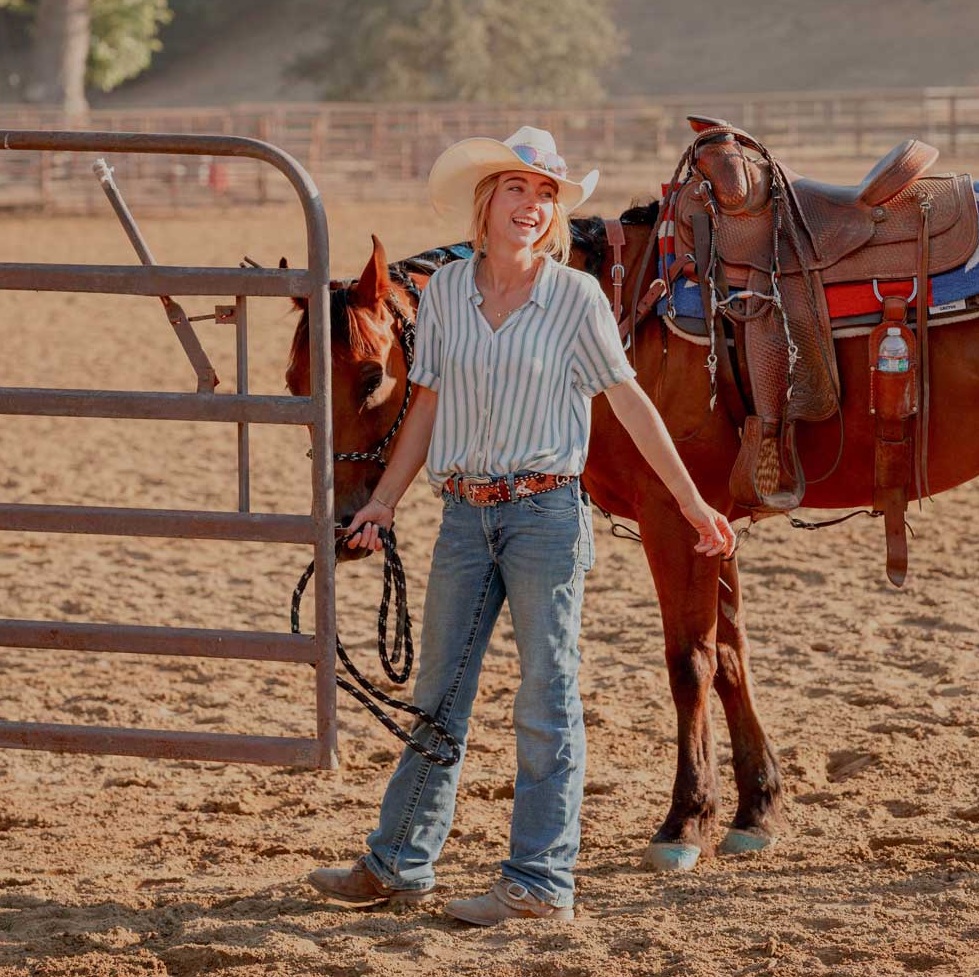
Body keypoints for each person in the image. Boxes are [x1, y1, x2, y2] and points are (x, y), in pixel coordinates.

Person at [308, 126, 735, 926]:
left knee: (546, 700)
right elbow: (425, 406)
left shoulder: (575, 298)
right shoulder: (443, 296)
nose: (533, 208)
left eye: (547, 197)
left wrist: (689, 500)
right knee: (440, 697)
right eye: (518, 190)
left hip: (545, 516)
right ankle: (399, 863)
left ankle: (539, 884)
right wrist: (384, 502)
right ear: (486, 201)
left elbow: (629, 403)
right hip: (464, 517)